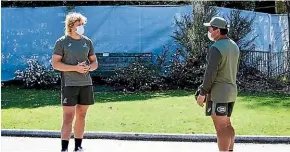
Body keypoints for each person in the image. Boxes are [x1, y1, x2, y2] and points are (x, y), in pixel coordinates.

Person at [52, 12, 98, 152]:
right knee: (68, 116)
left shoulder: (87, 41)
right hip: (69, 84)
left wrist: (89, 67)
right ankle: (64, 149)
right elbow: (56, 64)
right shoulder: (61, 42)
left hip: (86, 84)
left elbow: (95, 62)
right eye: (79, 24)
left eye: (82, 24)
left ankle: (78, 147)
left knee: (82, 115)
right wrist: (75, 68)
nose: (81, 27)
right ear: (71, 26)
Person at [196, 17, 240, 152]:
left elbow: (210, 74)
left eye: (210, 28)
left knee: (221, 128)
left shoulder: (216, 48)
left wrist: (202, 92)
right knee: (227, 125)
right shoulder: (233, 45)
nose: (209, 30)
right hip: (231, 90)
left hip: (219, 93)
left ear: (217, 30)